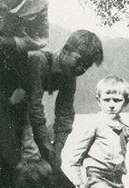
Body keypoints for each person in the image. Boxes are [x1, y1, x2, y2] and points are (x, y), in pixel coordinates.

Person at [62, 75, 129, 188]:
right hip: (97, 179)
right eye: (107, 100)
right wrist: (77, 183)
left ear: (126, 101)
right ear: (98, 100)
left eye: (117, 100)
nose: (112, 105)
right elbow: (74, 158)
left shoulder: (124, 129)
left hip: (116, 182)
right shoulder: (94, 124)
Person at [21, 31, 103, 167]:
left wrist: (58, 147)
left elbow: (65, 112)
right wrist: (46, 142)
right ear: (65, 50)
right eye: (79, 61)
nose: (80, 69)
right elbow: (34, 105)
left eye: (86, 66)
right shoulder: (38, 60)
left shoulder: (69, 75)